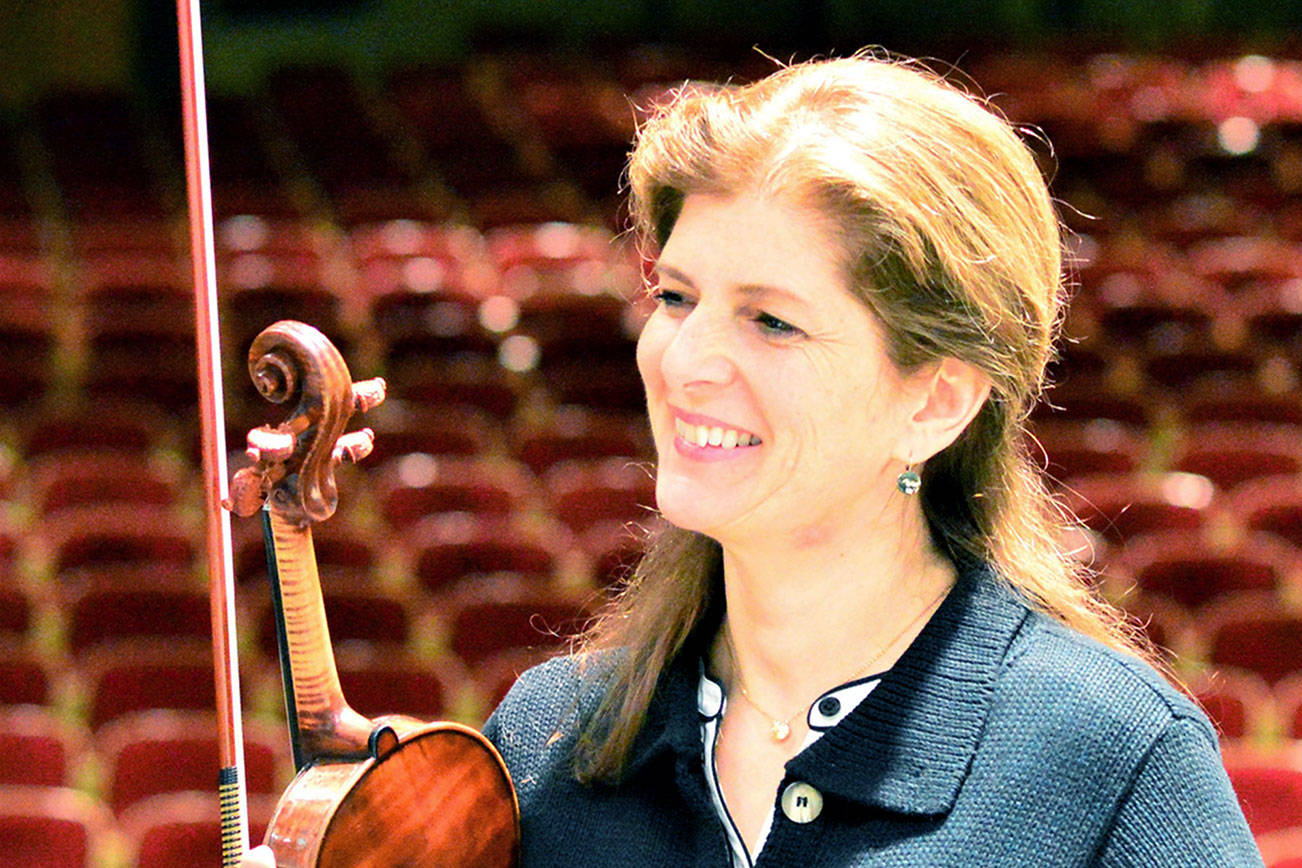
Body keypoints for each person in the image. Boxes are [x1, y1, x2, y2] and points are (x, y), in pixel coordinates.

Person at [244, 52, 1262, 866]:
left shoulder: (1115, 765)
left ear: (938, 401)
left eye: (771, 321)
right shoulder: (553, 740)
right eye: (676, 297)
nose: (683, 360)